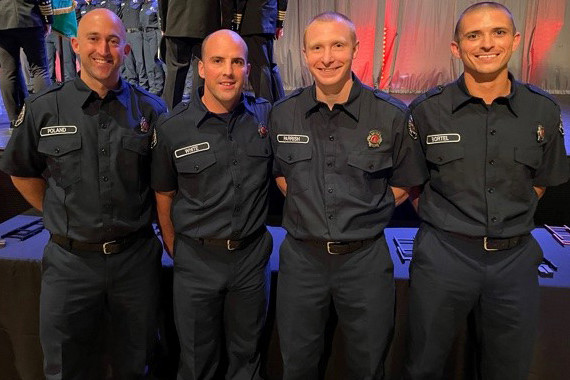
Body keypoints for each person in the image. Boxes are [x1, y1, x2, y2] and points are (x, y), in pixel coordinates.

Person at [404, 3, 569, 379]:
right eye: (473, 35)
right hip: (443, 257)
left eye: (497, 33)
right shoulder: (427, 111)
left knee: (508, 369)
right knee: (423, 366)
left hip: (514, 262)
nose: (485, 44)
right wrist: (452, 228)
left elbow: (542, 181)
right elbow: (414, 183)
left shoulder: (542, 111)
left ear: (514, 41)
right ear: (456, 47)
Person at [0, 8, 167, 379]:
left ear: (126, 50)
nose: (102, 50)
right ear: (75, 44)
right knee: (65, 368)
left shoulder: (151, 111)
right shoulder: (45, 108)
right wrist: (59, 210)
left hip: (134, 264)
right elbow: (19, 171)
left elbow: (163, 187)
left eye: (113, 40)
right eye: (93, 38)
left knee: (135, 364)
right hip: (69, 264)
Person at [269, 12, 427, 379]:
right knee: (297, 365)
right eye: (318, 47)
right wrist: (310, 206)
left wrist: (364, 213)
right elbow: (281, 174)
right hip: (301, 261)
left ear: (355, 49)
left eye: (338, 45)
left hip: (365, 261)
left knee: (369, 365)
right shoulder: (282, 114)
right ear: (304, 53)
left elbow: (405, 181)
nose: (327, 57)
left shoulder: (390, 115)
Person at [152, 29, 273, 379]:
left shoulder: (265, 117)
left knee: (247, 360)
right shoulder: (173, 127)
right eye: (218, 61)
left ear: (247, 68)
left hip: (251, 260)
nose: (228, 72)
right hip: (196, 261)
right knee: (195, 364)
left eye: (237, 62)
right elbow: (164, 195)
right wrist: (177, 248)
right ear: (201, 68)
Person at [159, 0, 222, 109]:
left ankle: (169, 117)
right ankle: (199, 114)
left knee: (175, 72)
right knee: (202, 71)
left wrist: (165, 24)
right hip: (205, 22)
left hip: (175, 22)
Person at [0, 0, 52, 128]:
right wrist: (47, 19)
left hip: (2, 22)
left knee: (8, 71)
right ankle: (44, 118)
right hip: (30, 17)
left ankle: (15, 119)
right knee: (40, 69)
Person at [227, 0, 287, 103]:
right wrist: (279, 22)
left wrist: (236, 22)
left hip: (251, 20)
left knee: (259, 69)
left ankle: (265, 106)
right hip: (269, 18)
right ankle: (281, 104)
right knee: (269, 65)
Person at [140, 0, 164, 95]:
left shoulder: (156, 3)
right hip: (145, 34)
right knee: (148, 63)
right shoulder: (144, 5)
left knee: (155, 62)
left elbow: (159, 20)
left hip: (154, 33)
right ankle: (152, 85)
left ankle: (158, 86)